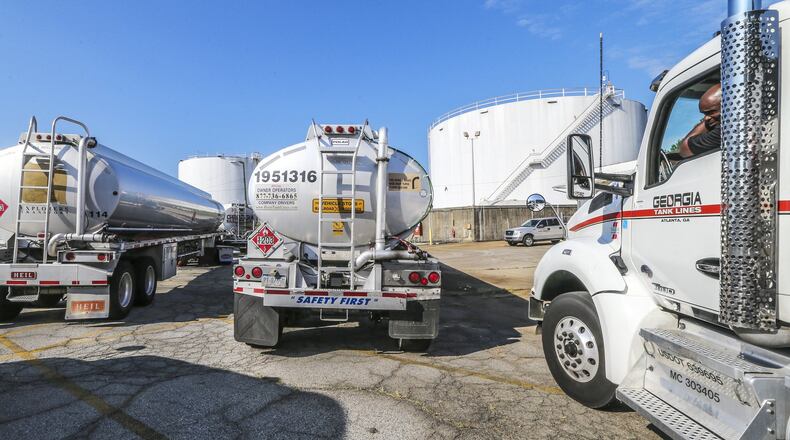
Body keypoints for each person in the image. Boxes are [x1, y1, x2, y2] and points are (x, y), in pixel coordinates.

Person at [679, 83, 721, 158]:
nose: (706, 118)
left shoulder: (725, 130)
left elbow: (685, 148)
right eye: (705, 114)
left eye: (711, 112)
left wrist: (706, 124)